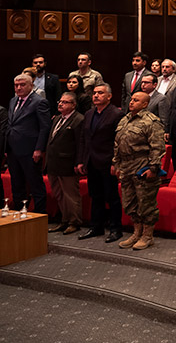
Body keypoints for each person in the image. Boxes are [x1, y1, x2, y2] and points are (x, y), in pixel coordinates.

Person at [113, 91, 165, 250]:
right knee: (129, 202)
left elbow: (157, 147)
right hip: (126, 166)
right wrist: (116, 164)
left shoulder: (151, 121)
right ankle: (136, 232)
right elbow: (117, 144)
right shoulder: (125, 119)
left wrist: (153, 168)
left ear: (145, 104)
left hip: (142, 165)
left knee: (145, 203)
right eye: (131, 99)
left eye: (136, 100)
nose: (132, 102)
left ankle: (147, 236)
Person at [78, 83, 123, 242]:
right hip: (91, 161)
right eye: (95, 93)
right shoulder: (89, 113)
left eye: (100, 93)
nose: (96, 95)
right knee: (95, 196)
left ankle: (116, 229)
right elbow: (84, 139)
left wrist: (115, 163)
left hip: (107, 162)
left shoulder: (116, 114)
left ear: (109, 96)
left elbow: (119, 142)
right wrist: (82, 160)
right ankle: (96, 227)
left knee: (112, 197)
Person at [7, 73, 51, 215]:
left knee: (35, 184)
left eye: (22, 85)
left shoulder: (39, 102)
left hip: (31, 150)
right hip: (13, 150)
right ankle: (19, 214)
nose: (18, 88)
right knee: (16, 184)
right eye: (16, 85)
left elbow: (44, 128)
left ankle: (39, 215)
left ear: (31, 85)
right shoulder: (13, 101)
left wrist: (39, 149)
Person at [44, 92, 84, 234]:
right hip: (53, 163)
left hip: (67, 163)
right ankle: (64, 220)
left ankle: (74, 222)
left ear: (73, 105)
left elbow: (81, 144)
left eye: (65, 102)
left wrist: (79, 162)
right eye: (60, 101)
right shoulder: (57, 119)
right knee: (59, 194)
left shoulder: (78, 119)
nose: (61, 104)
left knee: (70, 195)